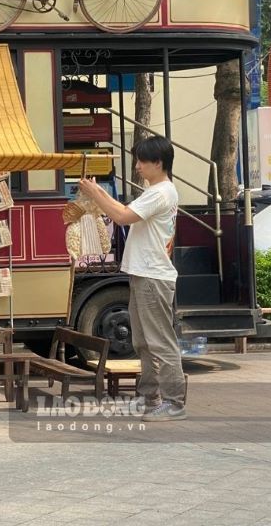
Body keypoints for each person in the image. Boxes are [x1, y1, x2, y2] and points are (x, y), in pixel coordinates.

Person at [78, 136, 186, 422]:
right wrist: (98, 193)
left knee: (160, 342)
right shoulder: (157, 191)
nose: (137, 166)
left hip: (153, 276)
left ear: (158, 163)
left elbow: (122, 216)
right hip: (145, 274)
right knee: (143, 342)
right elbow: (124, 211)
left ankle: (174, 403)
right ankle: (149, 399)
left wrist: (94, 193)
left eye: (141, 160)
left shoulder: (160, 192)